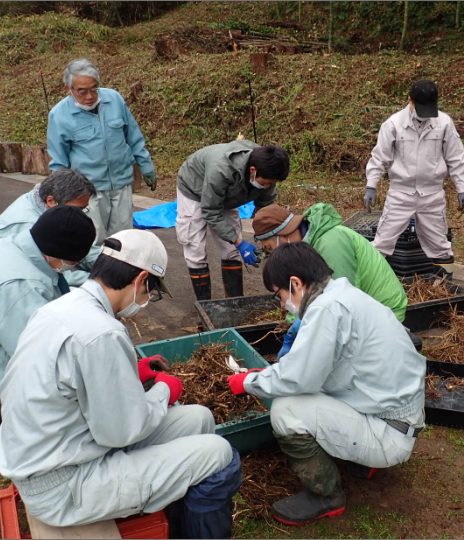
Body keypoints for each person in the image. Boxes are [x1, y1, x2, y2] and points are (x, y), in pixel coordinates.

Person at [0, 229, 242, 538]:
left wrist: (129, 373)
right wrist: (164, 389)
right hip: (67, 484)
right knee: (220, 453)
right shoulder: (102, 333)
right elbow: (123, 431)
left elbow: (72, 380)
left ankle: (176, 516)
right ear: (140, 280)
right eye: (151, 292)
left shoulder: (59, 309)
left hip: (56, 450)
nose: (147, 301)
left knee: (199, 417)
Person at [226, 242, 425, 525]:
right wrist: (272, 372)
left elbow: (299, 379)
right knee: (302, 389)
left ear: (295, 283)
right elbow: (316, 366)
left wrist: (247, 382)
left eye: (278, 295)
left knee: (286, 409)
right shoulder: (342, 294)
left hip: (389, 433)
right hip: (398, 415)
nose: (282, 304)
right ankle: (363, 458)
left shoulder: (326, 310)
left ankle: (326, 495)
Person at [0, 205, 96, 427]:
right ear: (55, 254)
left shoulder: (14, 245)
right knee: (71, 416)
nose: (70, 268)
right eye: (72, 263)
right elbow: (42, 356)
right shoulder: (19, 288)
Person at [252, 203, 421, 354]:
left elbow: (342, 296)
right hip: (362, 309)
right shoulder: (310, 242)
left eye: (270, 248)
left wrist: (303, 322)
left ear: (282, 235)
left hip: (382, 310)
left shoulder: (331, 242)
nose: (273, 254)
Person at [364, 79, 464, 275]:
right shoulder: (393, 124)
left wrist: (462, 189)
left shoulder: (444, 123)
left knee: (440, 245)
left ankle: (443, 287)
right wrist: (371, 186)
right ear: (410, 101)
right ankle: (373, 285)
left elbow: (456, 157)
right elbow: (379, 158)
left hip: (432, 194)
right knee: (382, 243)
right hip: (401, 194)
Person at [47, 58, 157, 244]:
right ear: (68, 89)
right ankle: (92, 273)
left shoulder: (114, 99)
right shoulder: (59, 115)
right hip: (88, 191)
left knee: (123, 238)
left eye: (94, 89)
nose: (90, 96)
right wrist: (63, 194)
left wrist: (146, 165)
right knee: (93, 239)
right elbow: (59, 161)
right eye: (82, 91)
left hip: (121, 183)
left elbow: (133, 136)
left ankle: (120, 273)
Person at [176, 140, 290, 300]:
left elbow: (265, 209)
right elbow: (210, 211)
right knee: (196, 249)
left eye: (271, 184)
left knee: (232, 252)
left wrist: (270, 240)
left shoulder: (268, 169)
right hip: (194, 188)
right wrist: (240, 243)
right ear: (253, 171)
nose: (267, 187)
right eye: (265, 183)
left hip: (228, 193)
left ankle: (235, 304)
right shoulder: (221, 170)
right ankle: (205, 307)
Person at [0, 168, 100, 286]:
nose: (81, 214)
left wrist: (106, 263)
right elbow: (49, 273)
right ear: (51, 201)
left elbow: (77, 244)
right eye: (78, 208)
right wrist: (99, 279)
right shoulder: (27, 225)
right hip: (0, 286)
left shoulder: (40, 199)